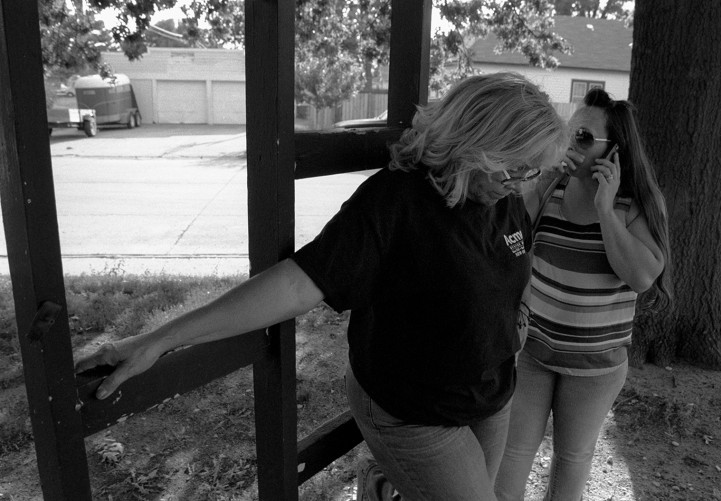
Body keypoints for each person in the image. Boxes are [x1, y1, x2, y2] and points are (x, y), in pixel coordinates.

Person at [75, 72, 568, 501]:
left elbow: (514, 262)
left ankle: (385, 486)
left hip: (490, 394)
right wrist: (157, 340)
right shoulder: (396, 203)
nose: (524, 180)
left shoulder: (502, 196)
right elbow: (295, 286)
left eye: (534, 170)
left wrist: (516, 316)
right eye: (516, 165)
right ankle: (385, 475)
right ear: (475, 142)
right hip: (415, 411)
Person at [495, 88, 672, 501]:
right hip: (534, 351)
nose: (570, 144)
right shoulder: (549, 185)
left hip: (595, 367)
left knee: (572, 459)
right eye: (568, 132)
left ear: (615, 151)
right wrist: (542, 180)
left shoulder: (639, 204)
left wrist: (607, 210)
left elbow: (642, 276)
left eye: (583, 138)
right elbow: (510, 236)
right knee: (514, 451)